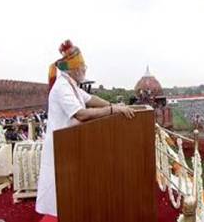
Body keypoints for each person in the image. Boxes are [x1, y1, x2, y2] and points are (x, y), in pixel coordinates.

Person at [36, 40, 135, 217]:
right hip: (62, 147)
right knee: (63, 197)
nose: (85, 70)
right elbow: (80, 114)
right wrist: (113, 110)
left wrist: (113, 104)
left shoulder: (71, 84)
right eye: (83, 67)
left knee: (72, 195)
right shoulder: (62, 86)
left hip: (71, 145)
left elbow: (90, 99)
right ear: (75, 69)